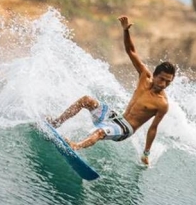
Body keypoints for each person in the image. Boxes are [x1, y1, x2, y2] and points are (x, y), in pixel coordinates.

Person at [47, 15, 175, 165]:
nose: (164, 84)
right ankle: (56, 122)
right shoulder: (144, 76)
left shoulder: (162, 104)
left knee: (100, 132)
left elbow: (153, 128)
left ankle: (76, 146)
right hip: (116, 118)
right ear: (154, 75)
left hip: (125, 129)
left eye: (168, 81)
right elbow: (131, 51)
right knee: (86, 100)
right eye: (162, 79)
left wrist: (146, 153)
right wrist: (126, 31)